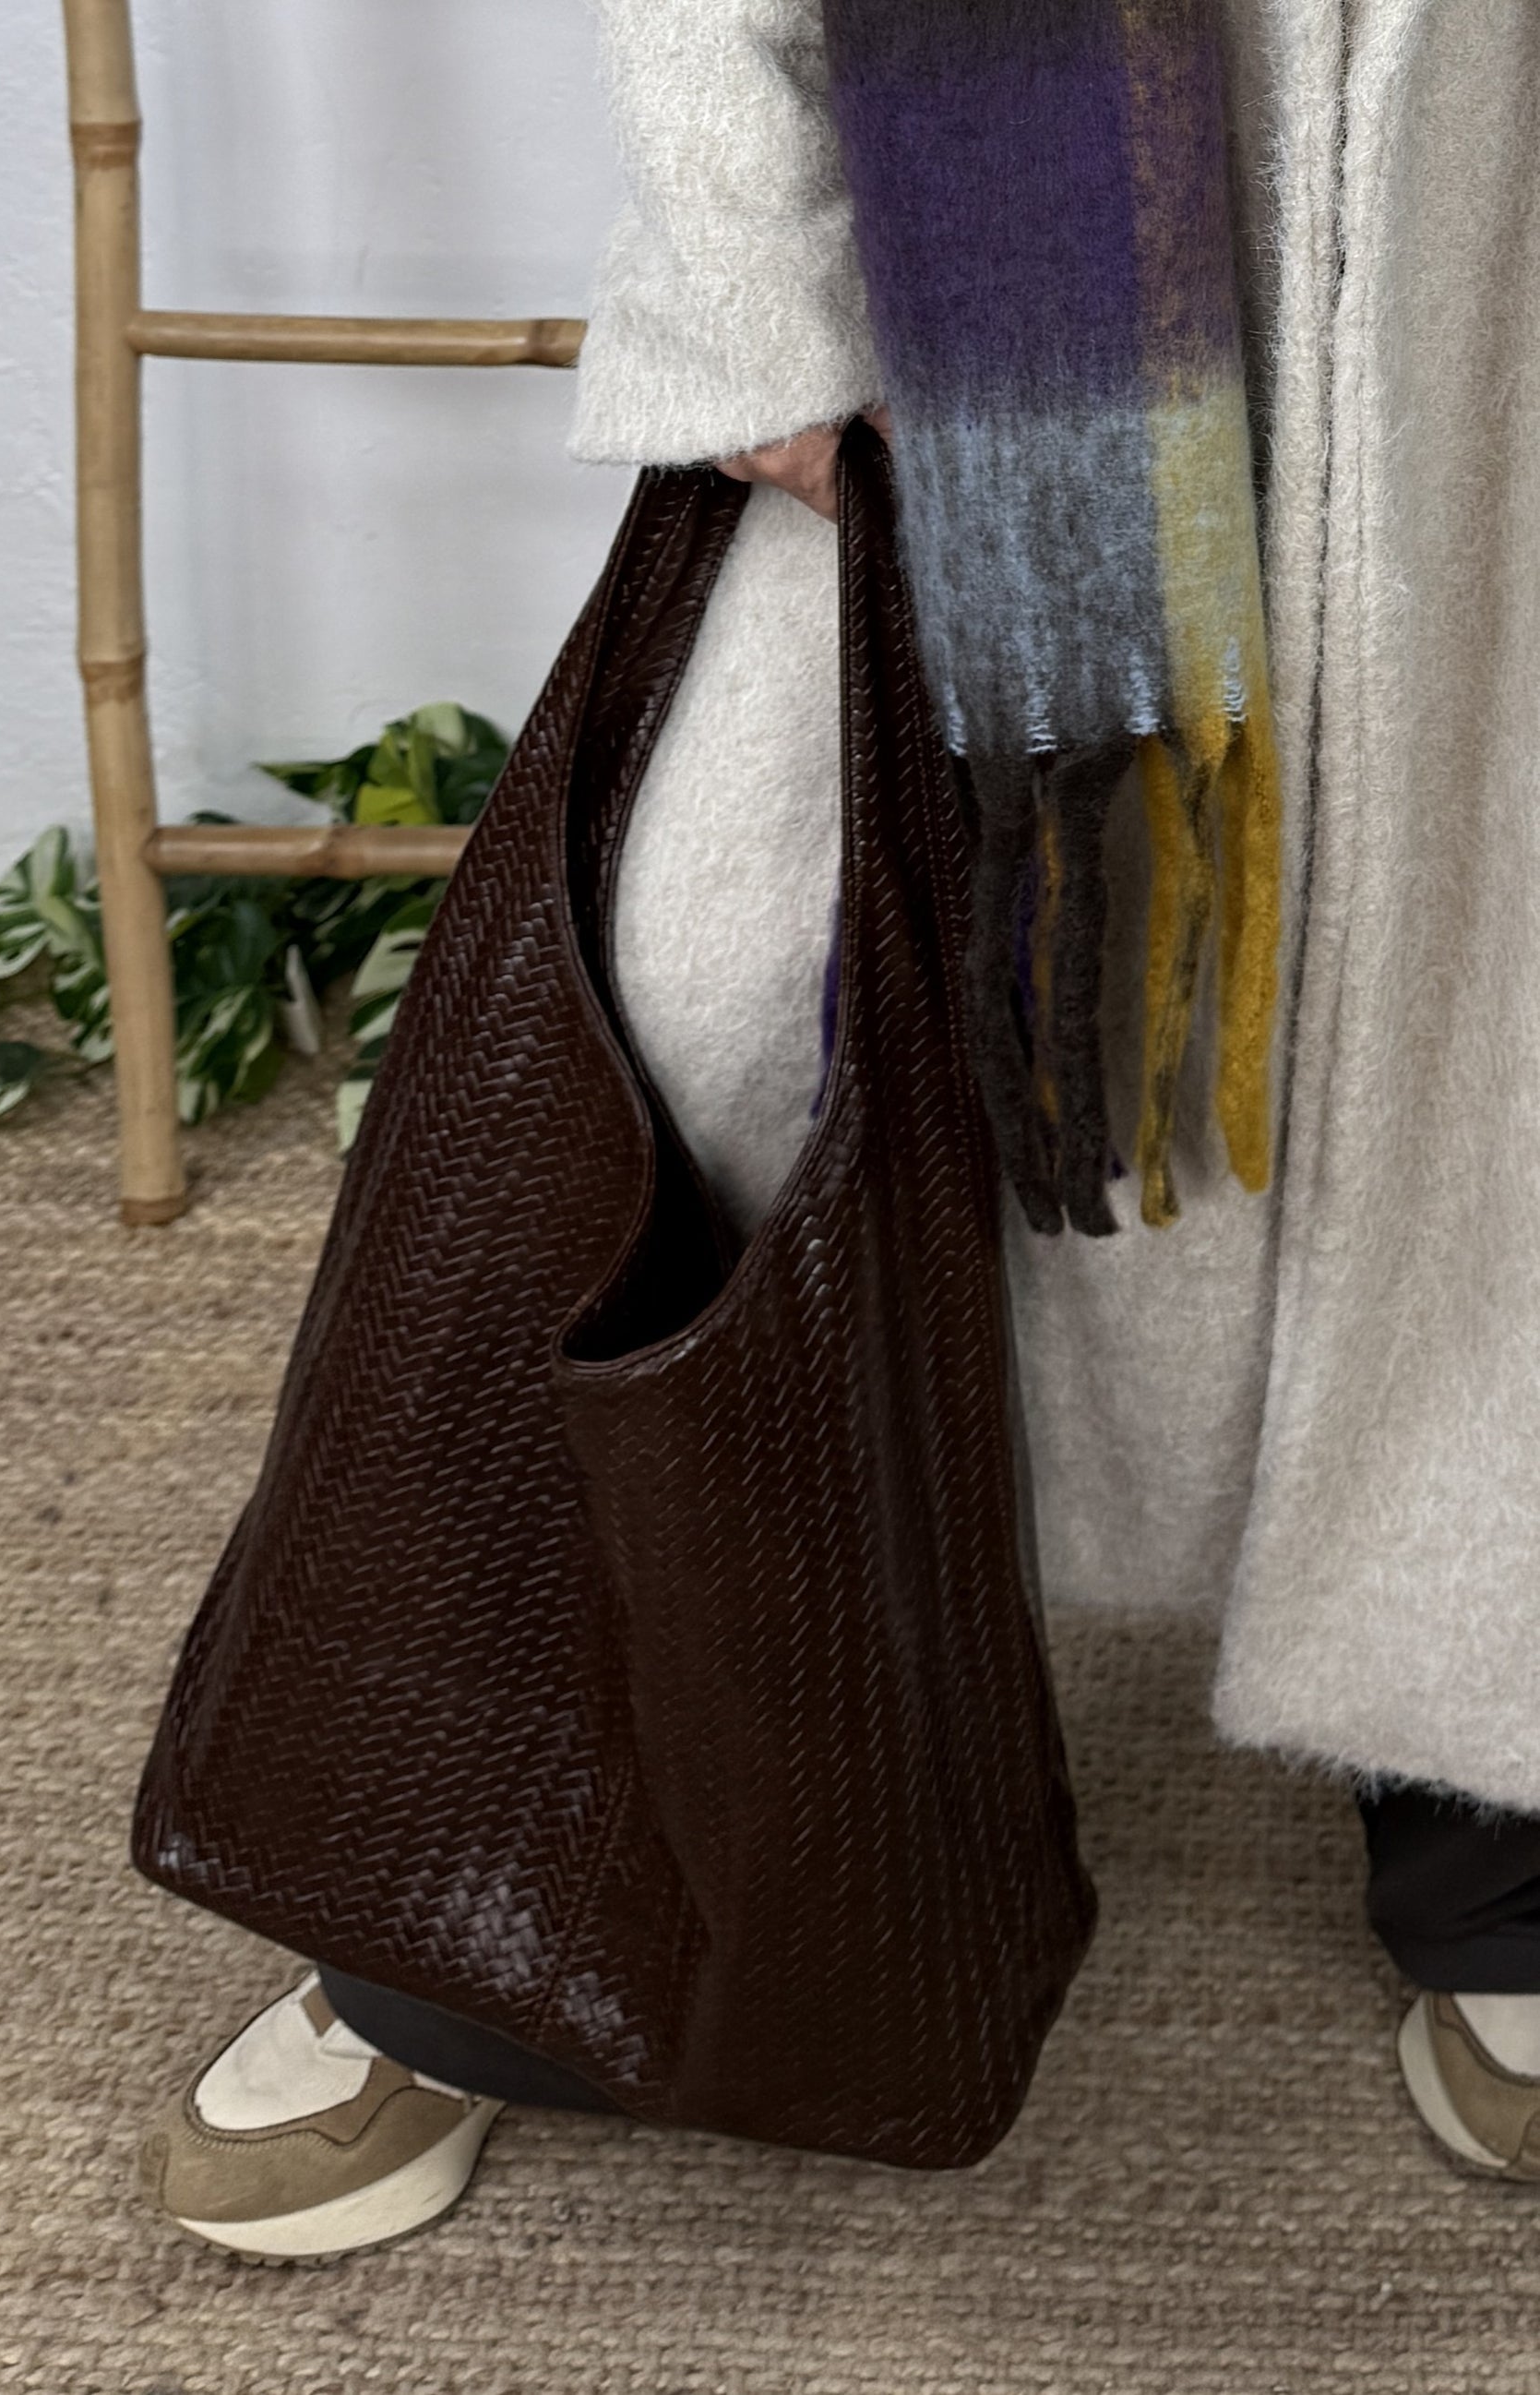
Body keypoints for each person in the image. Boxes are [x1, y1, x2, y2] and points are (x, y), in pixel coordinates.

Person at [138, 0, 1540, 2257]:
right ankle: (509, 1904)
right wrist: (757, 280)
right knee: (727, 1018)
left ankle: (1495, 1811)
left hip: (1494, 270)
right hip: (990, 255)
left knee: (1483, 1053)